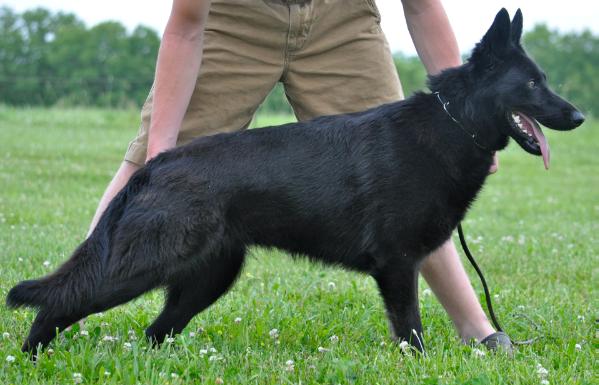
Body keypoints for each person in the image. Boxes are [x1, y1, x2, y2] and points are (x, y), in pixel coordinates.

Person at [88, 0, 510, 350]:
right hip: (235, 17)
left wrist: (464, 117)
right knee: (153, 163)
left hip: (341, 19)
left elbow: (421, 7)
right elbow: (185, 27)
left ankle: (477, 329)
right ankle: (75, 295)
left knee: (404, 179)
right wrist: (163, 149)